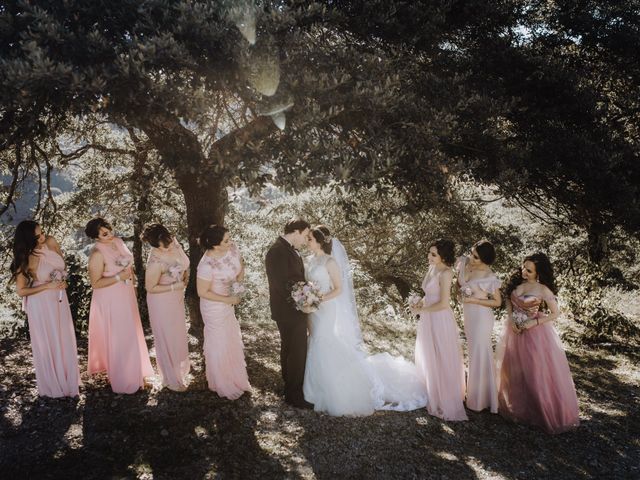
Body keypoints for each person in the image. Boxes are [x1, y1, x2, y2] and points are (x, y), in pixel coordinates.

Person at [303, 226, 428, 416]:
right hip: (312, 309)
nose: (307, 241)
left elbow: (338, 289)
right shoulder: (310, 260)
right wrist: (307, 299)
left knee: (323, 339)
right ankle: (313, 388)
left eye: (310, 238)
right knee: (314, 340)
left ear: (320, 241)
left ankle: (334, 388)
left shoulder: (330, 262)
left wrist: (319, 299)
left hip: (326, 308)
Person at [497, 252, 580, 434]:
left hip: (534, 334)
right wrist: (511, 319)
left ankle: (541, 412)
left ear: (538, 273)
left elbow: (555, 313)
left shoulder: (543, 290)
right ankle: (517, 408)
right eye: (523, 267)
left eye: (529, 270)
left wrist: (532, 322)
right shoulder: (517, 283)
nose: (524, 272)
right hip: (513, 331)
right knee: (512, 369)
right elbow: (508, 301)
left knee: (534, 372)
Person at [10, 220, 80, 398]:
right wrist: (47, 286)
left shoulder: (50, 242)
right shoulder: (26, 259)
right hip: (41, 304)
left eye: (42, 232)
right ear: (27, 240)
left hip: (59, 299)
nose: (42, 237)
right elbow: (21, 291)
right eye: (37, 237)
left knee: (63, 337)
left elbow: (61, 266)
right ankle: (53, 385)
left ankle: (69, 380)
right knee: (49, 341)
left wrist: (62, 280)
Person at [86, 217, 153, 394]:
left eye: (109, 229)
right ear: (96, 237)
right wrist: (119, 278)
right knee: (120, 335)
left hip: (126, 292)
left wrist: (132, 282)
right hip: (110, 296)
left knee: (131, 331)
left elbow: (128, 266)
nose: (110, 234)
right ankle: (124, 378)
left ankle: (137, 372)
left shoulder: (117, 241)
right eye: (104, 233)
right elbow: (95, 283)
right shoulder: (97, 254)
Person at [412, 239, 468, 421]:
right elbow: (428, 293)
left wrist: (422, 310)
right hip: (428, 317)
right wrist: (420, 302)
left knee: (441, 354)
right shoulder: (432, 268)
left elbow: (444, 303)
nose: (429, 256)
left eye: (433, 254)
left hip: (440, 317)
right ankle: (430, 390)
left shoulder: (446, 272)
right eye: (429, 253)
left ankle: (445, 396)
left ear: (443, 256)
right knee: (428, 352)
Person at [196, 225, 251, 399]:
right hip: (214, 306)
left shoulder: (232, 249)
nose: (231, 242)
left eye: (229, 237)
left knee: (230, 338)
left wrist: (238, 288)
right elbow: (202, 292)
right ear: (215, 245)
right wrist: (228, 299)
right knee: (218, 342)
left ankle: (236, 377)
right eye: (226, 240)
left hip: (229, 303)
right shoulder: (206, 265)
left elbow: (241, 267)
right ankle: (220, 381)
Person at [265, 218, 313, 409]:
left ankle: (289, 387)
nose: (306, 239)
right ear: (296, 232)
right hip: (289, 310)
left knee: (290, 349)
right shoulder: (277, 251)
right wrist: (303, 302)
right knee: (296, 351)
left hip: (293, 309)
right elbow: (282, 284)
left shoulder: (290, 250)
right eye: (305, 235)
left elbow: (295, 279)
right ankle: (294, 395)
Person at [142, 223, 190, 391]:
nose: (167, 249)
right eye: (162, 248)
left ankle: (178, 371)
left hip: (176, 299)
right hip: (161, 301)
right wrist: (174, 287)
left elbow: (184, 262)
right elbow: (150, 288)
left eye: (168, 244)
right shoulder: (155, 262)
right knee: (167, 337)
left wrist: (186, 276)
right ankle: (171, 379)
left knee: (177, 334)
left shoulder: (174, 243)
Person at [456, 240, 502, 413]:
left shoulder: (489, 276)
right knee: (473, 352)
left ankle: (481, 399)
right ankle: (474, 393)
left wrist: (472, 299)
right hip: (469, 316)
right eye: (472, 253)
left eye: (476, 257)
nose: (471, 258)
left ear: (485, 260)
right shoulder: (465, 262)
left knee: (480, 353)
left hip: (482, 318)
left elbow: (497, 302)